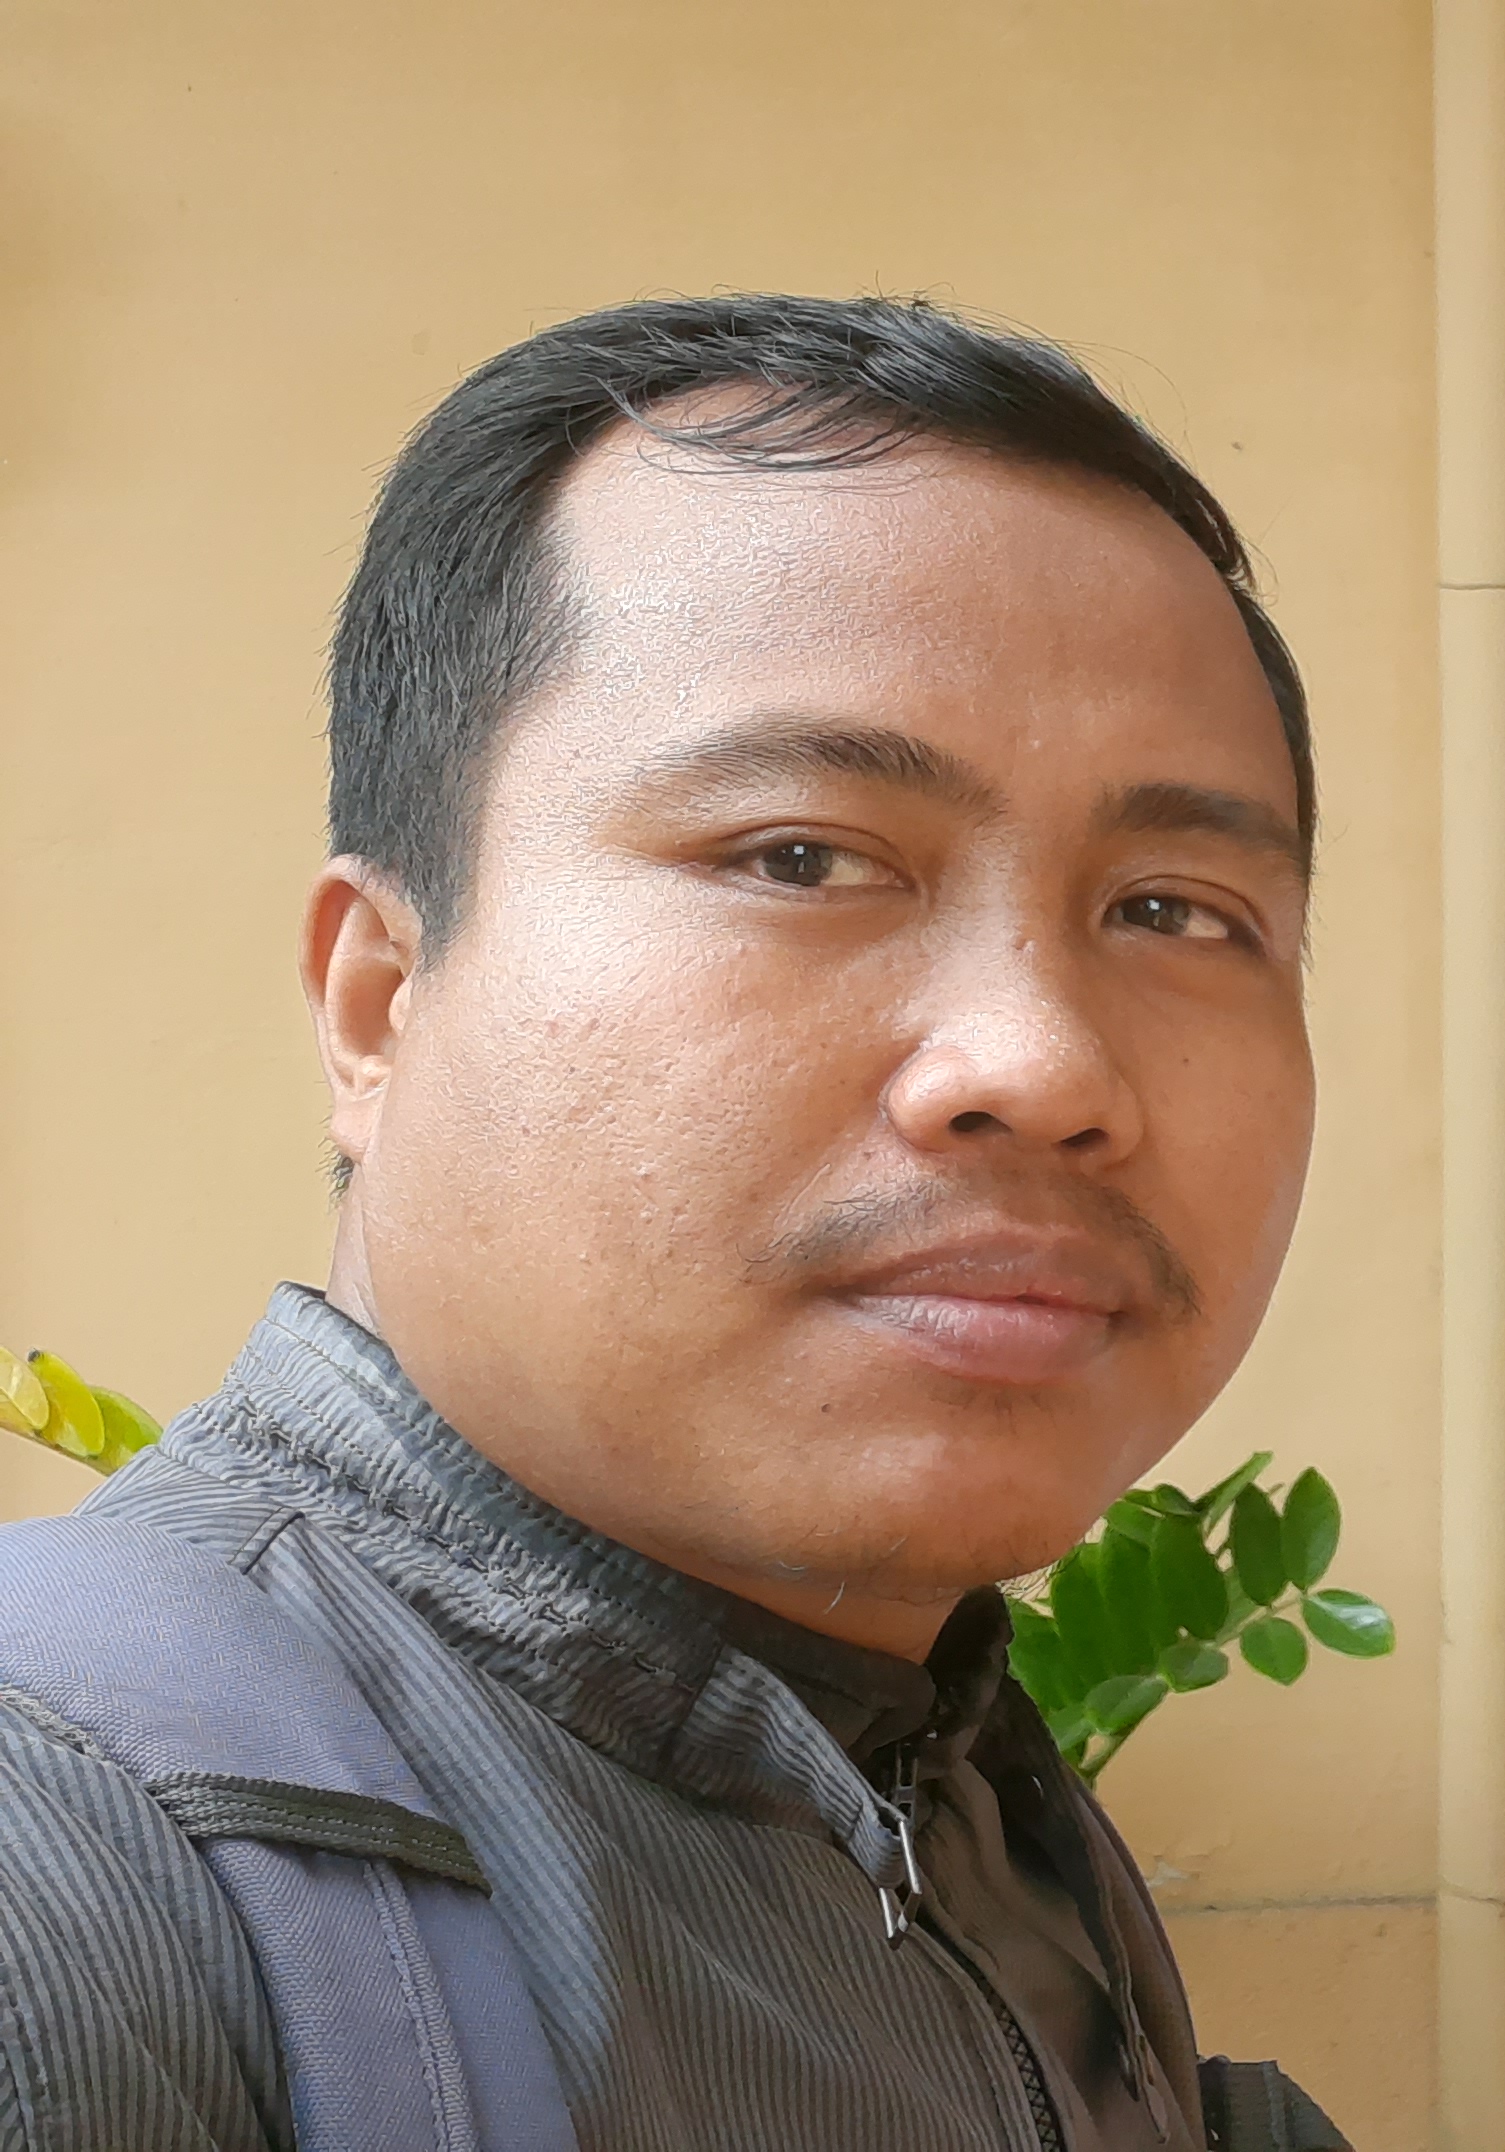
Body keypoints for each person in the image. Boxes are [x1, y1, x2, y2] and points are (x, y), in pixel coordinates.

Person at [0, 297, 1340, 2149]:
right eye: (801, 857)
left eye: (1177, 909)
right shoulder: (75, 1854)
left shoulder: (948, 1775)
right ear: (379, 999)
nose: (1043, 1065)